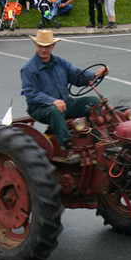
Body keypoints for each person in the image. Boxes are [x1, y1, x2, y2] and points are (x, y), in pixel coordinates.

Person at [21, 30, 109, 163]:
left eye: (47, 46)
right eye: (40, 46)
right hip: (40, 108)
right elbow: (31, 94)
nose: (43, 50)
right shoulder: (29, 69)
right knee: (55, 110)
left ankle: (99, 140)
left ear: (53, 46)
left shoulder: (60, 62)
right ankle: (68, 148)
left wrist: (97, 75)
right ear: (35, 45)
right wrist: (53, 101)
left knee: (94, 102)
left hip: (65, 103)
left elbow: (78, 77)